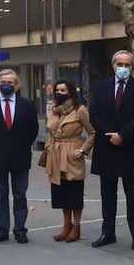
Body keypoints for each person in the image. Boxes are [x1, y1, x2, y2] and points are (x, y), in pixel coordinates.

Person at [89, 50, 134, 251]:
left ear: (132, 67)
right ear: (113, 65)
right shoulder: (101, 87)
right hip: (106, 146)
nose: (123, 68)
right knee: (107, 194)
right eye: (120, 64)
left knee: (132, 194)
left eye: (127, 64)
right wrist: (110, 134)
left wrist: (122, 135)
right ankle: (108, 232)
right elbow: (94, 114)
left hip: (128, 146)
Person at [0, 69, 39, 244]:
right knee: (0, 196)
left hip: (20, 157)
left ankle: (20, 230)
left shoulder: (27, 104)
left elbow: (33, 130)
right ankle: (2, 231)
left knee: (20, 196)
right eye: (3, 82)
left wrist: (21, 145)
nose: (7, 85)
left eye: (10, 82)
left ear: (16, 84)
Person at [42, 80, 95, 242]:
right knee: (61, 193)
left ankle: (76, 227)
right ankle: (66, 225)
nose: (59, 92)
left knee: (74, 192)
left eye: (63, 90)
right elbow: (51, 132)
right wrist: (47, 147)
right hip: (55, 155)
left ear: (70, 92)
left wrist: (83, 150)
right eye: (57, 89)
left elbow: (92, 132)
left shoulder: (80, 110)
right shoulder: (54, 110)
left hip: (72, 154)